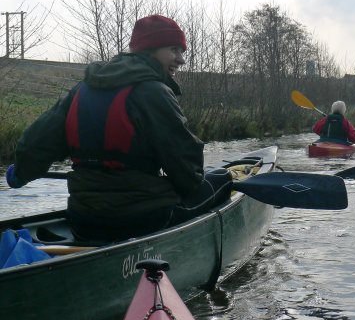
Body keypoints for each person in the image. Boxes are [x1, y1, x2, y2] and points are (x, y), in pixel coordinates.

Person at [5, 15, 234, 242]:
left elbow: (37, 143)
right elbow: (186, 169)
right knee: (223, 177)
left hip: (83, 220)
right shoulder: (154, 92)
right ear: (151, 49)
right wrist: (196, 180)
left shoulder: (82, 88)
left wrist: (21, 173)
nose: (181, 59)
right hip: (143, 220)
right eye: (174, 50)